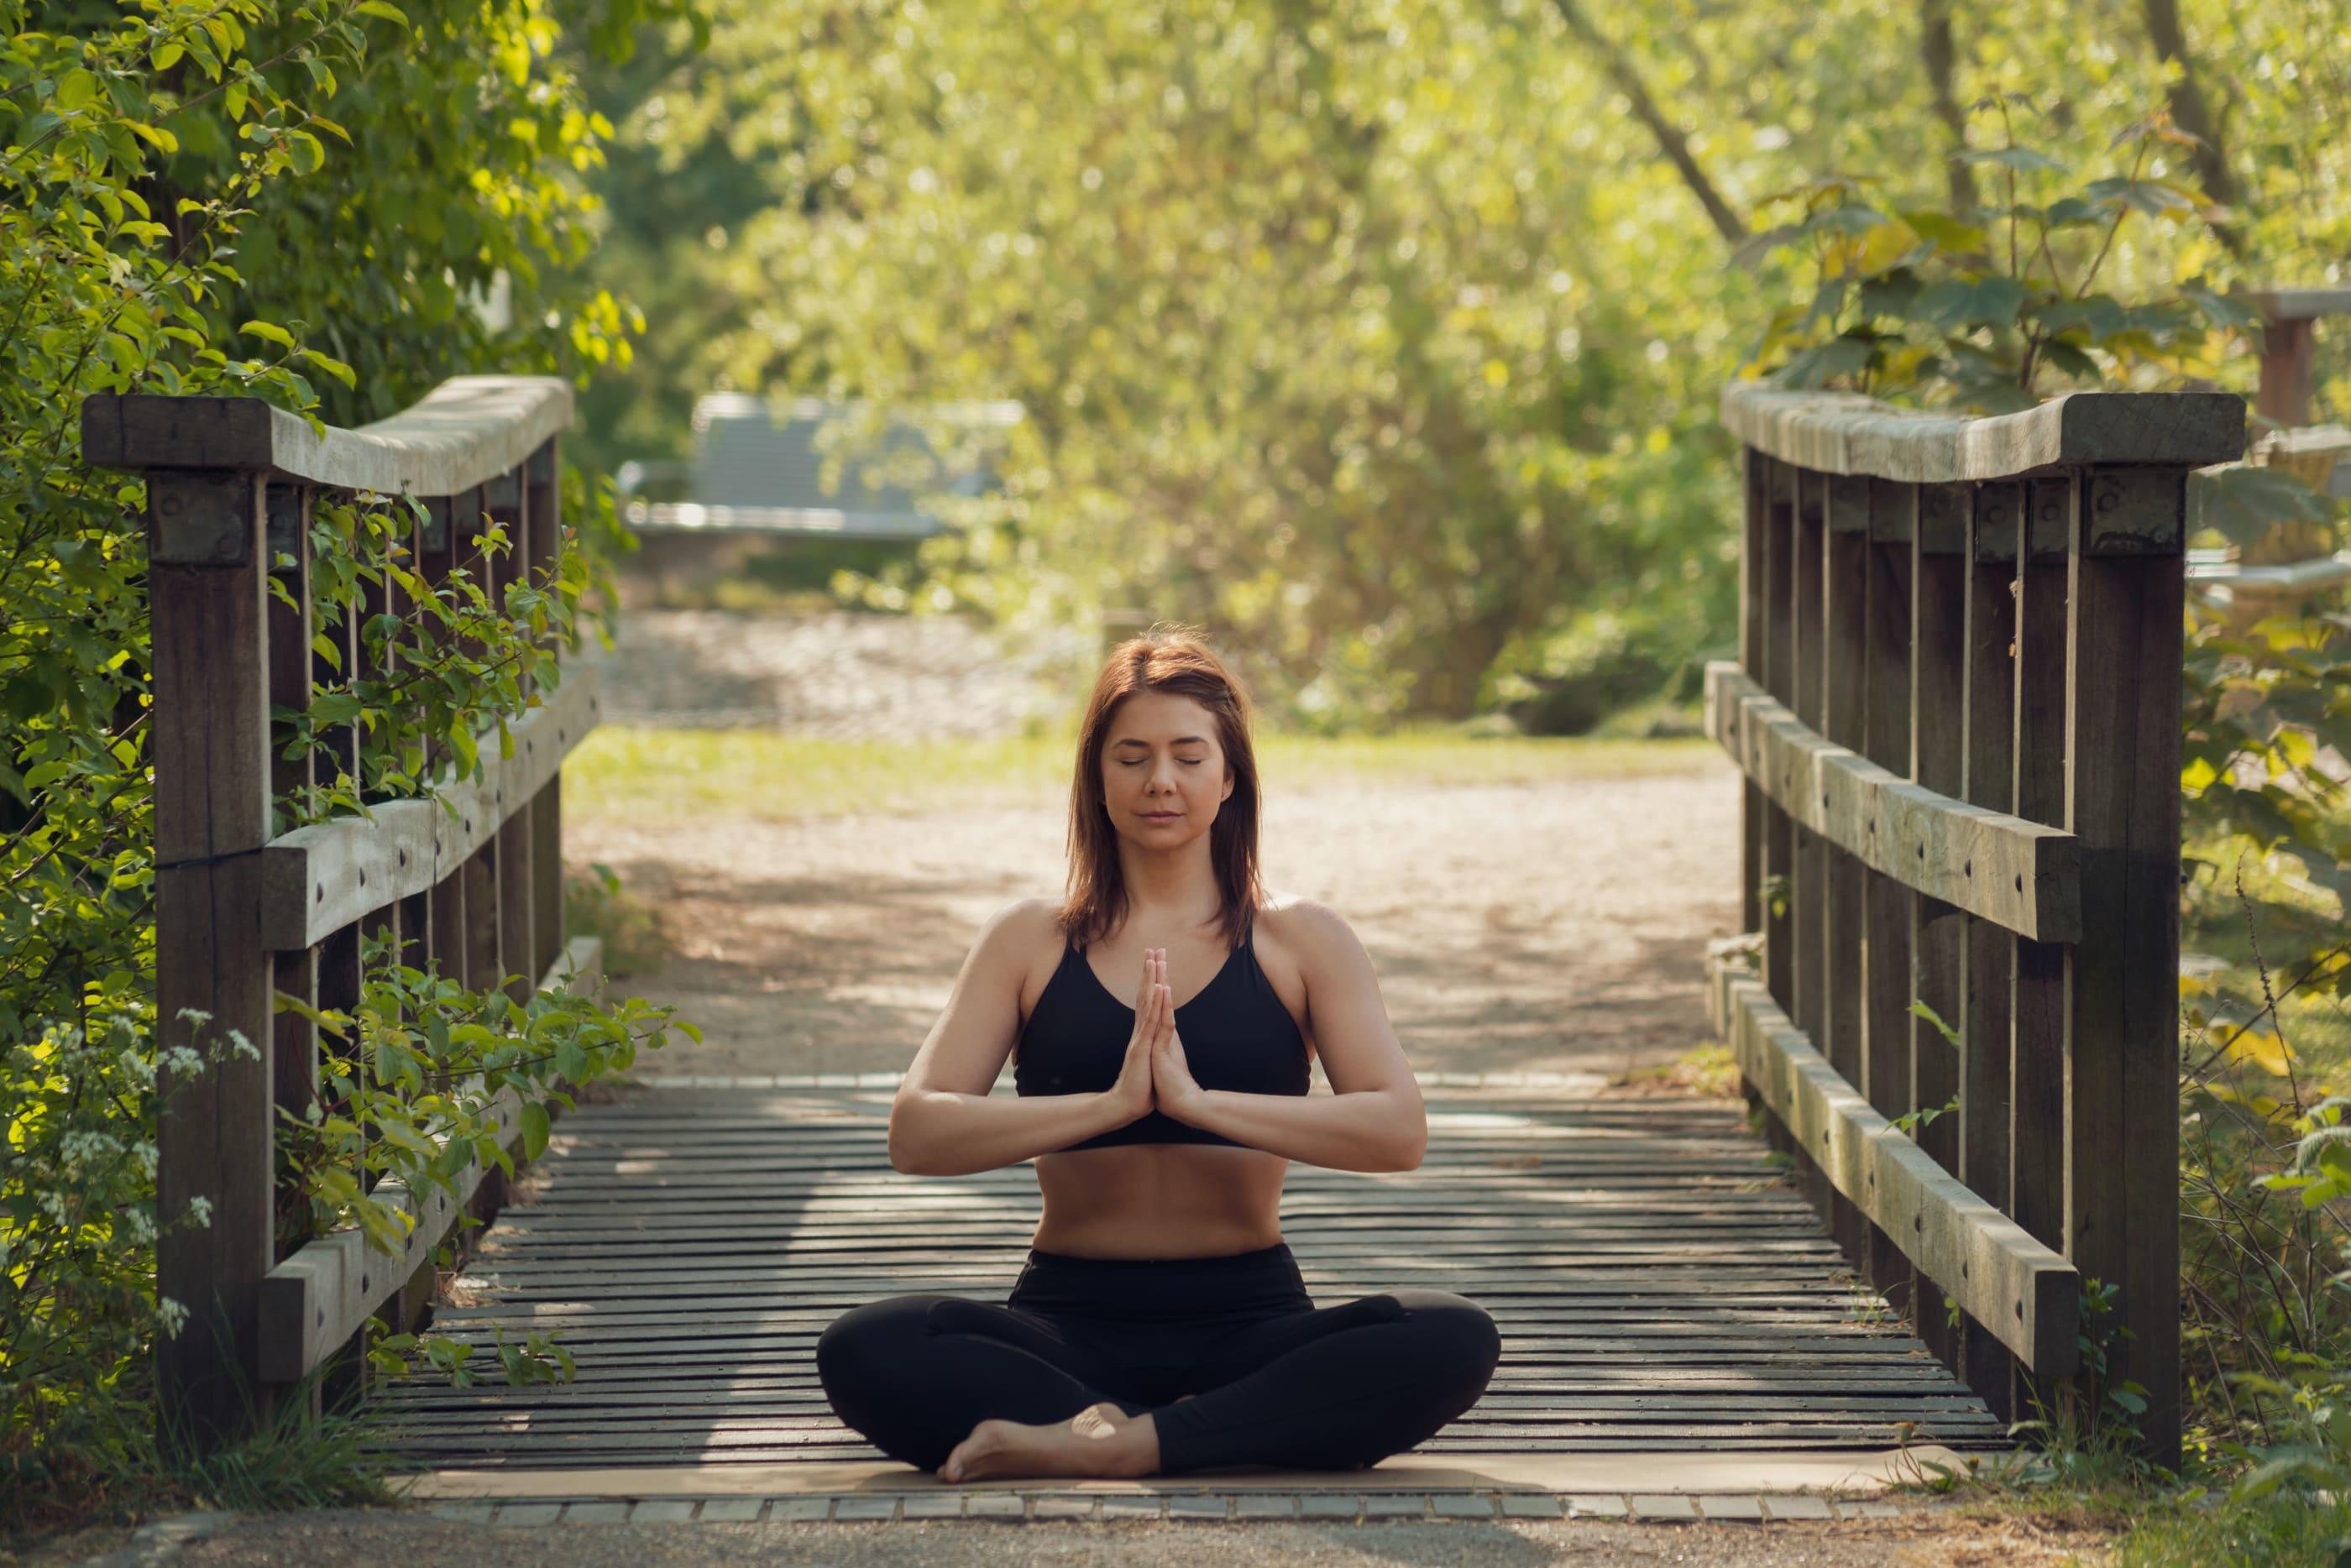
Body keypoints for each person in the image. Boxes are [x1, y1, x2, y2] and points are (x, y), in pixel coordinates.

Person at [815, 628, 1500, 1482]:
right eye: (1132, 756)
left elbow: (1397, 1130)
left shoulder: (1300, 937)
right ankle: (1188, 1432)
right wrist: (1112, 1103)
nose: (1161, 781)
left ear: (1229, 774)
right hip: (1066, 1324)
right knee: (867, 1345)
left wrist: (1196, 1101)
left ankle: (1117, 1441)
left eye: (1187, 754)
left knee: (1451, 1334)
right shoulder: (1030, 938)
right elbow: (916, 1130)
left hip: (1249, 1317)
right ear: (1097, 781)